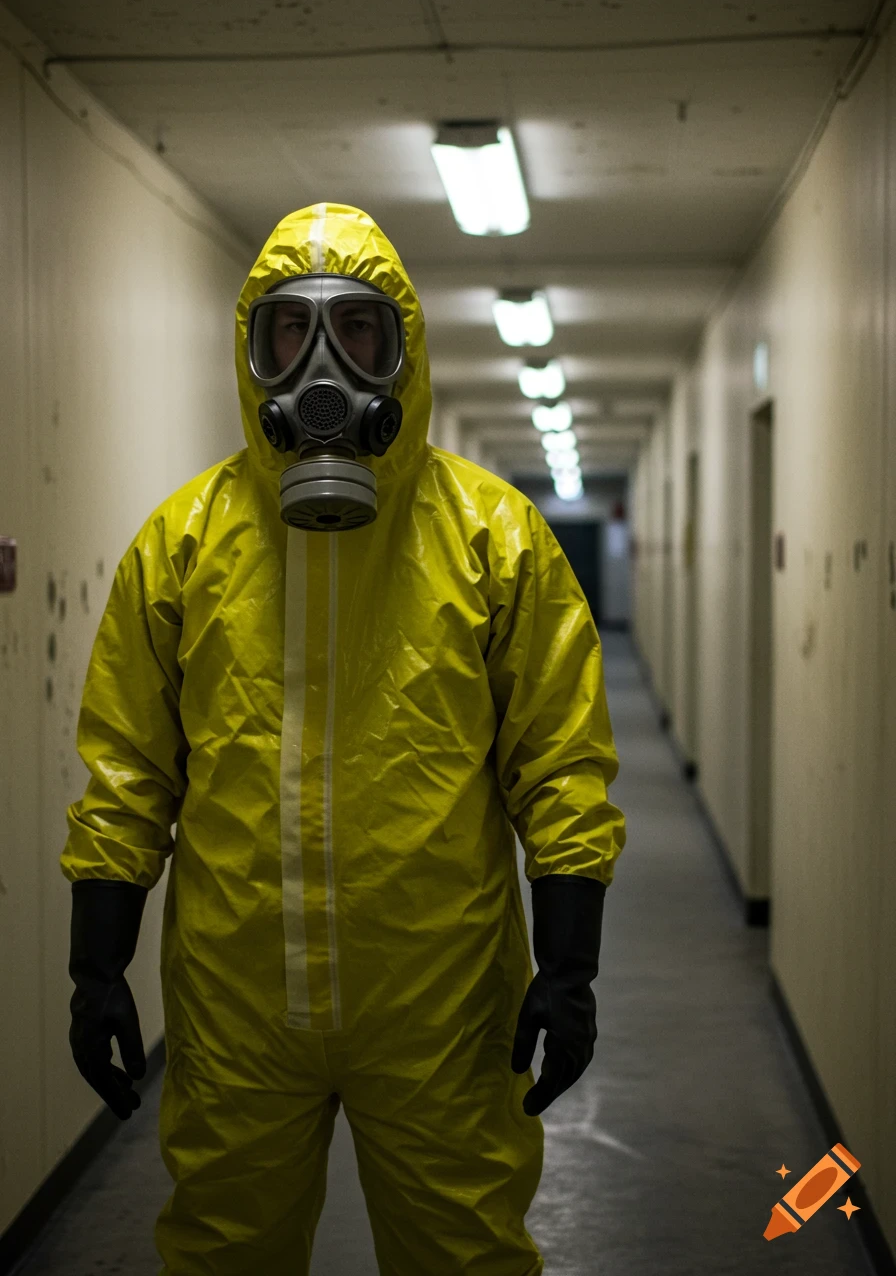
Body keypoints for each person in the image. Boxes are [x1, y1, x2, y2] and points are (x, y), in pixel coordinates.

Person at [63, 202, 626, 1276]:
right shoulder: (183, 546)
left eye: (356, 331)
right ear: (253, 352)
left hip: (441, 1004)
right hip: (236, 1007)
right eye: (289, 332)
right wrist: (96, 960)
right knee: (225, 1250)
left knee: (464, 1253)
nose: (321, 367)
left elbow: (559, 762)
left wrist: (569, 961)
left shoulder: (491, 540)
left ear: (401, 346)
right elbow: (128, 768)